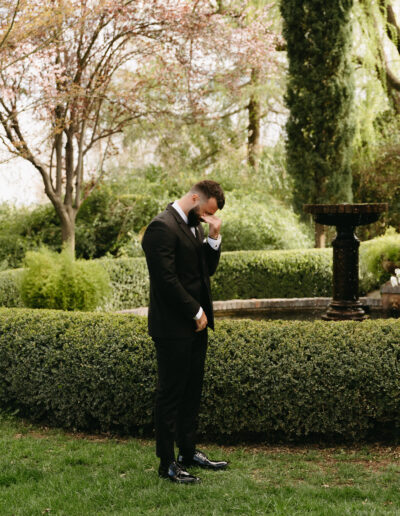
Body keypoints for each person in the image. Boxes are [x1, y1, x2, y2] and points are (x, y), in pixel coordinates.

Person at [141, 180, 229, 484]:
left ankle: (187, 452)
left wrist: (213, 238)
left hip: (196, 326)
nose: (206, 219)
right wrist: (195, 310)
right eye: (205, 212)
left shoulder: (194, 225)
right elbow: (166, 280)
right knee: (170, 395)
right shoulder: (160, 228)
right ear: (194, 198)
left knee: (192, 391)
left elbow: (203, 271)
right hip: (173, 327)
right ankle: (167, 463)